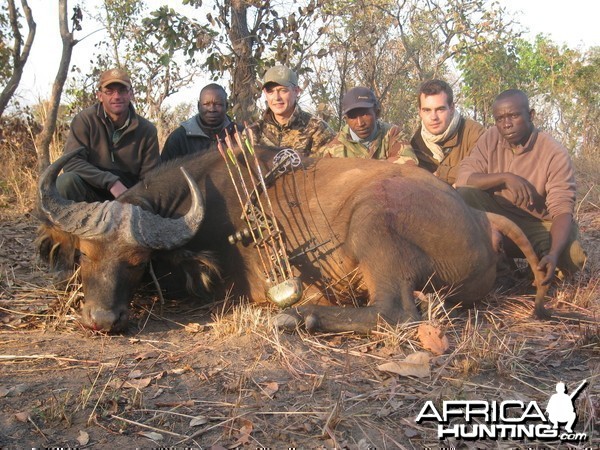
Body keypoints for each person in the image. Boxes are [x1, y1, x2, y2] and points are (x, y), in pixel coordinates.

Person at [456, 89, 586, 284]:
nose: (506, 124)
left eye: (514, 116)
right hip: (497, 221)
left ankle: (533, 275)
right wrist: (505, 178)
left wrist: (553, 254)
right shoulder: (490, 138)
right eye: (500, 119)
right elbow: (464, 177)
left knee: (573, 256)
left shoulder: (554, 152)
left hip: (536, 225)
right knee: (465, 195)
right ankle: (500, 266)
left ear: (531, 115)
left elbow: (562, 210)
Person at [57, 67, 160, 202]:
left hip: (129, 199)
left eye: (122, 91)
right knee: (65, 182)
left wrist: (134, 199)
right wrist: (111, 182)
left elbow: (150, 179)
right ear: (100, 96)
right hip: (91, 193)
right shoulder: (84, 120)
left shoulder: (147, 130)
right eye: (109, 91)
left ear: (131, 94)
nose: (116, 96)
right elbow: (71, 163)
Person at [317, 86, 417, 164]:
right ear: (346, 119)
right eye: (353, 117)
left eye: (365, 114)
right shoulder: (333, 149)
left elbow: (409, 163)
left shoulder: (392, 134)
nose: (360, 123)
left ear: (377, 113)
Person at [248, 65, 334, 156]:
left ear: (296, 91)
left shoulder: (317, 129)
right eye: (271, 91)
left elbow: (331, 167)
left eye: (283, 90)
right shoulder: (253, 132)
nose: (277, 98)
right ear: (265, 93)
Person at [410, 79, 485, 185]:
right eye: (427, 110)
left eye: (440, 109)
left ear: (452, 108)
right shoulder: (415, 145)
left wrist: (442, 174)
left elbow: (480, 168)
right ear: (420, 112)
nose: (433, 117)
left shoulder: (474, 132)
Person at [161, 83, 241, 162]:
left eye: (218, 104)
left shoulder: (239, 134)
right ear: (199, 106)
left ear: (226, 106)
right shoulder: (179, 138)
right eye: (206, 104)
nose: (212, 109)